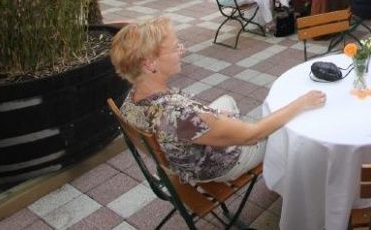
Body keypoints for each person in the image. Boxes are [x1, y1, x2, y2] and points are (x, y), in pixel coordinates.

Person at [112, 16, 326, 184]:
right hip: (217, 166)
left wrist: (213, 120)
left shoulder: (130, 101)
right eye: (176, 47)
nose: (182, 51)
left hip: (182, 154)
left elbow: (184, 122)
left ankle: (226, 125)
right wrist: (302, 102)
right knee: (282, 132)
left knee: (226, 101)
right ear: (150, 64)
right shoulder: (180, 114)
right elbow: (253, 135)